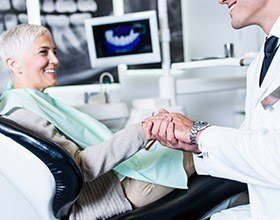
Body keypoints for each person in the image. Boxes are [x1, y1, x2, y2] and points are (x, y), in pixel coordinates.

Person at [0, 24, 194, 219]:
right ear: (14, 64)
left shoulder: (21, 102)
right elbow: (81, 166)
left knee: (185, 141)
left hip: (111, 183)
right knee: (201, 149)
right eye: (44, 52)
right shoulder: (23, 113)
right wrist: (143, 131)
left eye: (54, 52)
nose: (56, 60)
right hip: (112, 194)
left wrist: (143, 136)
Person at [143, 0, 280, 219]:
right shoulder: (261, 62)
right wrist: (195, 145)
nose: (220, 0)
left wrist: (199, 133)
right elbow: (253, 143)